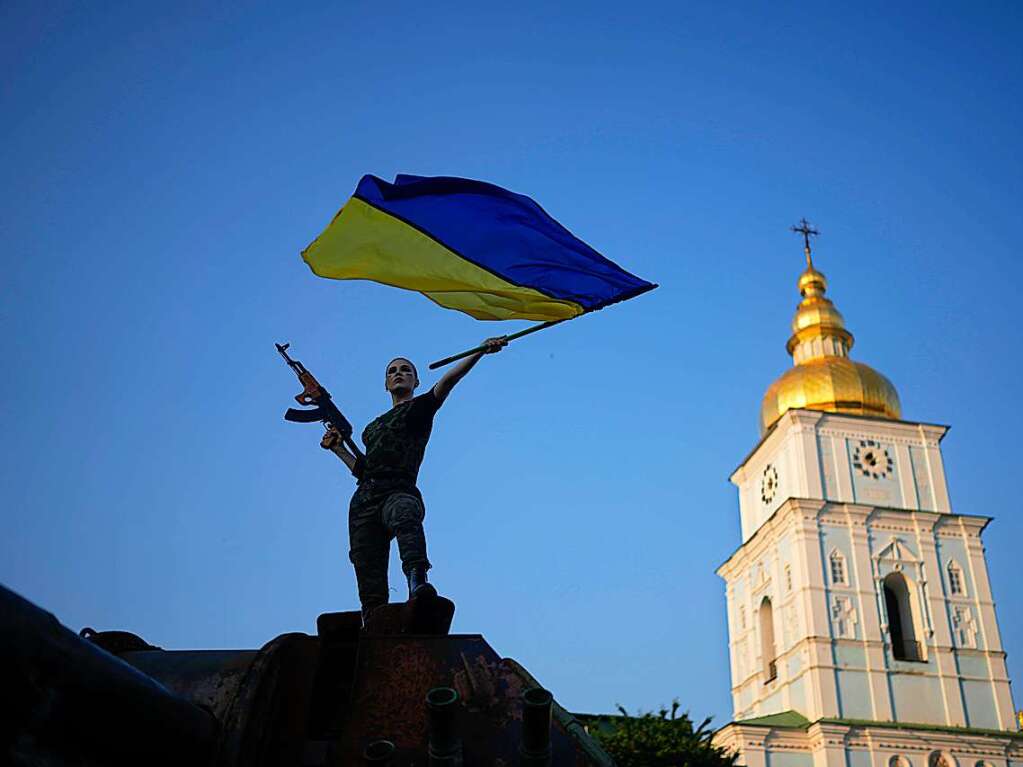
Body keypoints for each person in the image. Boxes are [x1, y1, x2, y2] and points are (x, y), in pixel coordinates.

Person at [321, 337, 507, 621]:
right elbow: (363, 470)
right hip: (364, 500)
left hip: (399, 488)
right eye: (392, 371)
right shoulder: (372, 428)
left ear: (416, 382)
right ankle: (373, 617)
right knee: (364, 558)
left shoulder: (419, 409)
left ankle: (417, 582)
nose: (398, 373)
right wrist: (338, 450)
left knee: (404, 514)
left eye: (406, 370)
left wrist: (480, 351)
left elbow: (447, 382)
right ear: (386, 384)